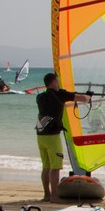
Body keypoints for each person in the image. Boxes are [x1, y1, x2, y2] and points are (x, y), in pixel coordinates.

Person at [35, 72, 90, 200]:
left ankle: (47, 195)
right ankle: (54, 196)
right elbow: (82, 98)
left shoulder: (40, 97)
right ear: (53, 82)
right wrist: (89, 97)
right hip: (52, 137)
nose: (58, 83)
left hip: (40, 134)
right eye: (57, 81)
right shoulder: (60, 95)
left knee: (46, 167)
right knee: (55, 168)